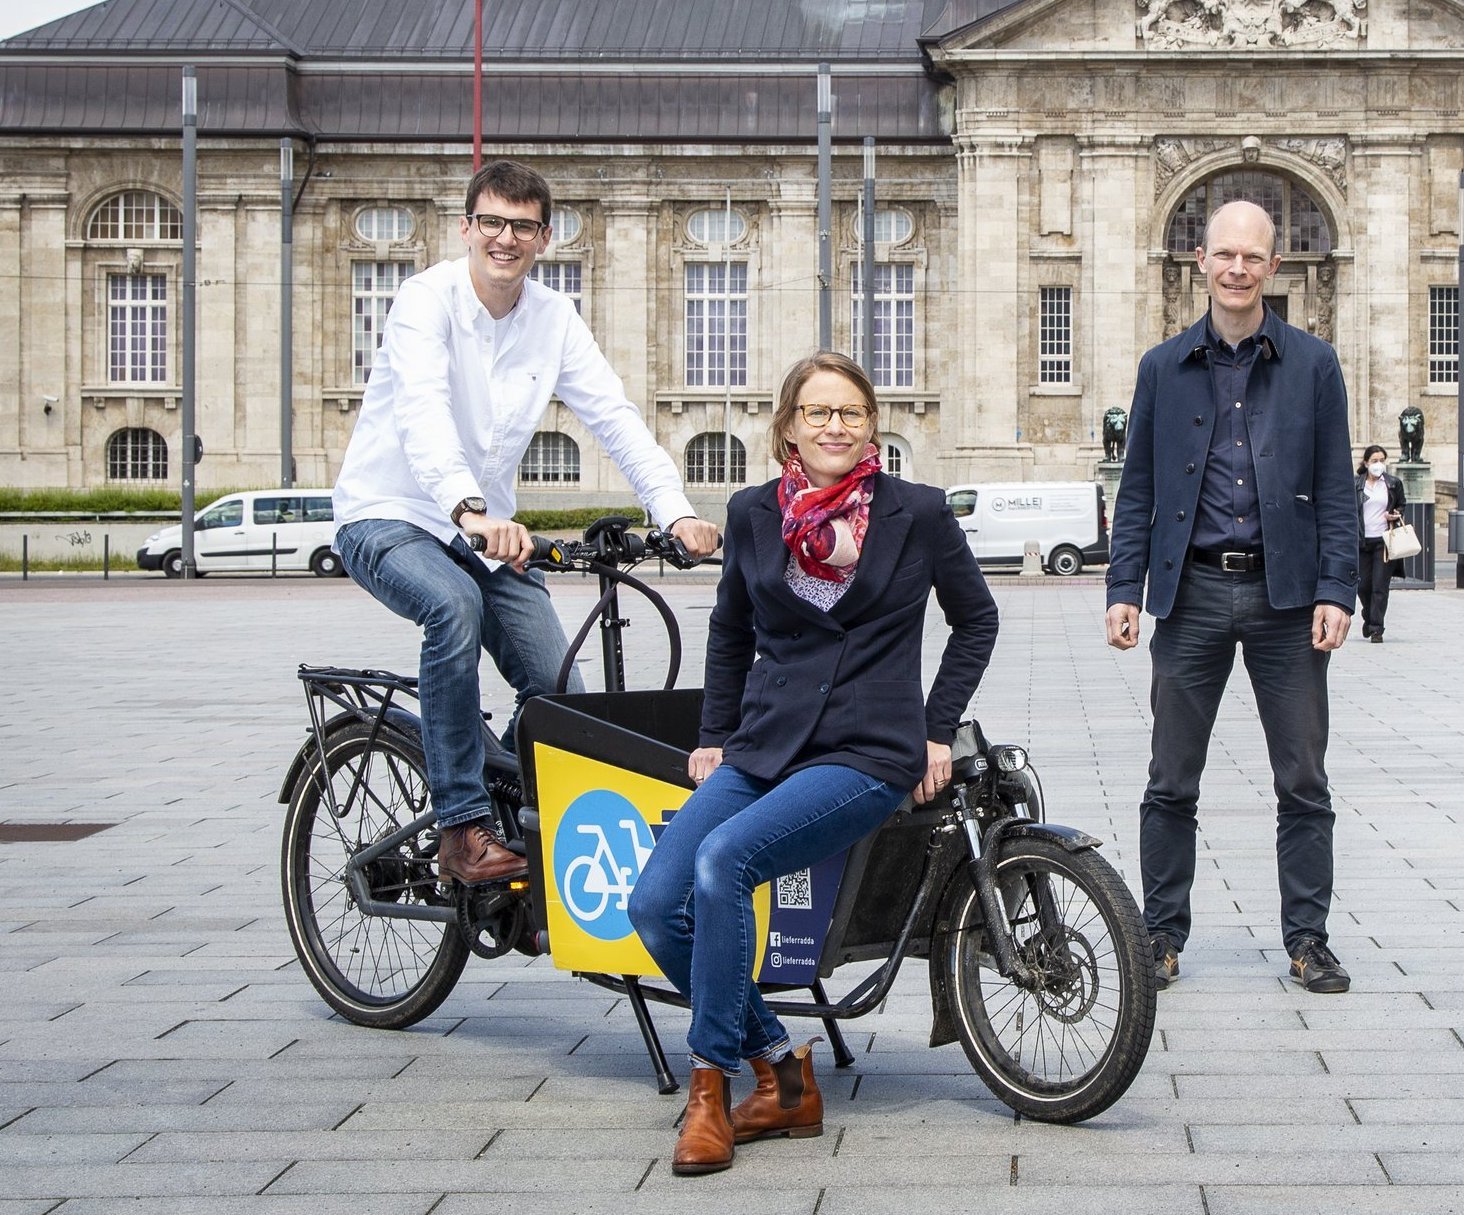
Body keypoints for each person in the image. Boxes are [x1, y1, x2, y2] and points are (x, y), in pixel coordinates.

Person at [630, 352, 997, 1176]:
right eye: (818, 412)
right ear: (789, 426)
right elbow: (729, 631)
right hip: (764, 743)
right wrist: (714, 731)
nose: (836, 426)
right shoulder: (754, 511)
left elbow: (975, 620)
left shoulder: (919, 511)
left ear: (872, 423)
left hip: (868, 750)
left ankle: (709, 1088)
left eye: (852, 412)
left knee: (727, 861)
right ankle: (781, 1069)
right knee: (654, 902)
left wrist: (937, 730)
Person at [330, 159, 720, 887]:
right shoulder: (425, 302)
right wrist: (468, 509)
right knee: (452, 607)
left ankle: (506, 806)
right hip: (388, 516)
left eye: (522, 226)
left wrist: (675, 512)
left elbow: (613, 414)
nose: (504, 238)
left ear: (545, 237)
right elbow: (422, 413)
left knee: (557, 684)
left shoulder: (553, 319)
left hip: (479, 532)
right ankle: (460, 826)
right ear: (467, 227)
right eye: (491, 222)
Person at [1105, 199, 1359, 996]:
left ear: (1271, 267)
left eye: (1253, 257)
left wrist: (1337, 588)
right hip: (1193, 596)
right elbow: (1138, 488)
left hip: (1286, 600)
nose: (1238, 269)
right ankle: (1159, 936)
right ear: (1201, 262)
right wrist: (1124, 587)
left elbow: (1335, 487)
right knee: (1170, 777)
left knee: (1302, 780)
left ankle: (1307, 939)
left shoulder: (1314, 364)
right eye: (1225, 255)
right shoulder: (1161, 366)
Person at [1354, 444, 1407, 641]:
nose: (1379, 464)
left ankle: (1377, 628)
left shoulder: (1393, 483)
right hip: (1361, 541)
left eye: (1382, 460)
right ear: (1366, 463)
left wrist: (1395, 514)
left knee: (1379, 586)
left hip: (1384, 541)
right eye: (1375, 461)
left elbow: (1401, 504)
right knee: (1363, 586)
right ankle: (1368, 616)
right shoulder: (1356, 484)